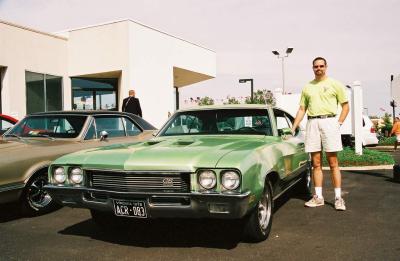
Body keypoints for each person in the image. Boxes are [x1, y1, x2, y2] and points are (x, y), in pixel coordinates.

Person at [291, 57, 350, 211]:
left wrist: (338, 123)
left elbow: (345, 107)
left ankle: (338, 198)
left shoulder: (335, 84)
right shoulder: (307, 87)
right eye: (316, 66)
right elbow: (302, 109)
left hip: (330, 122)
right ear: (312, 68)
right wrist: (294, 126)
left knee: (333, 163)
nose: (319, 68)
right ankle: (318, 197)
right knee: (316, 163)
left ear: (326, 67)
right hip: (312, 123)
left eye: (321, 66)